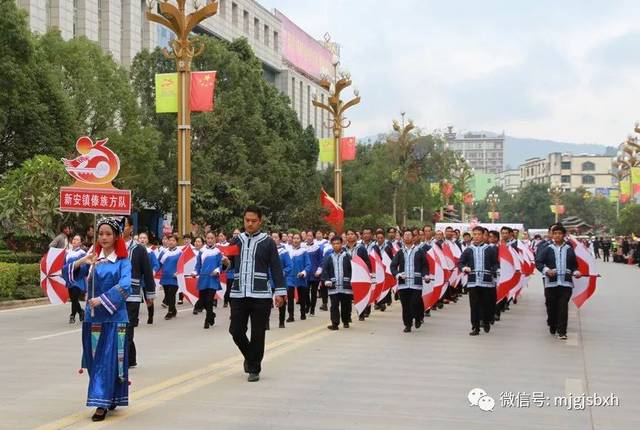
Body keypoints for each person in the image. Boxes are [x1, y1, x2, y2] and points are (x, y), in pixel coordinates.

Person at [66, 218, 131, 421]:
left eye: (108, 234)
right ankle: (109, 396)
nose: (103, 237)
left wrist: (101, 300)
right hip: (92, 320)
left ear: (116, 237)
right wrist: (81, 262)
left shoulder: (122, 262)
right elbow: (68, 273)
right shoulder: (92, 259)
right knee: (94, 361)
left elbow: (126, 286)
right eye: (100, 233)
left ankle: (100, 404)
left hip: (114, 318)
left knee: (108, 361)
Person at [224, 207, 286, 382]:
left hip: (261, 294)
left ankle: (254, 368)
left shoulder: (268, 242)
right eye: (246, 220)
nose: (249, 224)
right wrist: (226, 263)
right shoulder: (235, 241)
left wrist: (280, 292)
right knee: (236, 331)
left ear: (260, 221)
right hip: (238, 293)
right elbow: (230, 265)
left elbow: (276, 268)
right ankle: (251, 357)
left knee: (258, 333)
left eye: (253, 221)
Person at [535, 224, 580, 340]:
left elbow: (574, 264)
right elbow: (539, 262)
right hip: (551, 283)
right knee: (551, 306)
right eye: (555, 233)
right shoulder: (547, 248)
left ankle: (562, 331)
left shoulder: (569, 249)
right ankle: (552, 323)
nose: (557, 235)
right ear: (552, 235)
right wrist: (546, 270)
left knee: (563, 307)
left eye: (560, 233)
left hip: (566, 283)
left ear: (564, 235)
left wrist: (575, 271)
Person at [122, 217, 155, 368]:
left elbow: (147, 272)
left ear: (131, 228)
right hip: (114, 296)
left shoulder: (139, 249)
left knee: (128, 328)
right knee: (118, 328)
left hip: (133, 295)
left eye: (124, 225)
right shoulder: (110, 247)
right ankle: (128, 357)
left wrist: (149, 294)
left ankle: (127, 360)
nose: (121, 228)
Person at [459, 226, 499, 336]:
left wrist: (496, 269)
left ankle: (486, 321)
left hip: (487, 281)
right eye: (475, 234)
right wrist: (464, 268)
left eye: (479, 234)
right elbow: (460, 263)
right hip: (473, 281)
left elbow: (495, 263)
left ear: (483, 235)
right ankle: (475, 327)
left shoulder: (490, 249)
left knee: (487, 304)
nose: (476, 236)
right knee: (474, 305)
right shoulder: (468, 250)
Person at [390, 229, 429, 333]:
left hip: (416, 283)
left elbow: (425, 265)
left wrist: (425, 275)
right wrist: (397, 274)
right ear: (403, 238)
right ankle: (407, 324)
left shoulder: (419, 251)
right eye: (405, 235)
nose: (407, 237)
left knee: (415, 303)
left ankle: (417, 317)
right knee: (405, 305)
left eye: (409, 235)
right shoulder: (400, 252)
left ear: (413, 238)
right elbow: (393, 266)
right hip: (403, 284)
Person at [321, 236, 353, 330]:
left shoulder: (347, 256)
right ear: (331, 245)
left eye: (338, 243)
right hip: (333, 285)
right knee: (334, 306)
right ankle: (335, 323)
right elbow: (325, 270)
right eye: (334, 244)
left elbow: (352, 269)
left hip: (346, 285)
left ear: (341, 244)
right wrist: (326, 279)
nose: (336, 245)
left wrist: (351, 280)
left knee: (346, 305)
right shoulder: (329, 257)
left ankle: (346, 321)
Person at [193, 231, 223, 329]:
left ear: (215, 239)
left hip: (213, 278)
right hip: (203, 278)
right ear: (206, 239)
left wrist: (217, 270)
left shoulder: (218, 252)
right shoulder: (201, 251)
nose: (210, 240)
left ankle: (207, 320)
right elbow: (198, 266)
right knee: (204, 300)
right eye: (208, 238)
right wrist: (195, 272)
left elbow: (221, 265)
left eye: (212, 238)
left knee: (209, 300)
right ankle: (211, 315)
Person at [345, 229, 373, 321]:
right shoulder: (343, 249)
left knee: (359, 294)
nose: (350, 236)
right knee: (348, 296)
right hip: (347, 274)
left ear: (356, 236)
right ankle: (347, 316)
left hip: (359, 275)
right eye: (348, 234)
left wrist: (369, 273)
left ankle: (361, 312)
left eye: (352, 234)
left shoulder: (361, 248)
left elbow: (367, 262)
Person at [286, 233, 312, 322]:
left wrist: (303, 272)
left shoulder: (304, 252)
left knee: (302, 297)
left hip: (300, 277)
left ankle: (303, 313)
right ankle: (291, 315)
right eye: (294, 238)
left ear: (300, 240)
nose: (296, 240)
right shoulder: (287, 251)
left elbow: (308, 265)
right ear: (292, 240)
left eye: (298, 238)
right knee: (290, 297)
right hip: (290, 277)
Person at [270, 232, 293, 329]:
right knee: (266, 302)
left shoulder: (284, 252)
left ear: (279, 239)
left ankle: (281, 322)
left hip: (280, 280)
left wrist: (284, 272)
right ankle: (266, 323)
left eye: (276, 237)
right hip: (269, 280)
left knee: (282, 302)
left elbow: (290, 266)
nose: (274, 239)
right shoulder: (267, 251)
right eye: (272, 237)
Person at [158, 234, 182, 320]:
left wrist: (178, 273)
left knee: (171, 295)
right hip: (165, 277)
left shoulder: (180, 252)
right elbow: (158, 264)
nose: (171, 242)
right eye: (169, 240)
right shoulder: (163, 252)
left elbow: (182, 265)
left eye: (173, 240)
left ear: (176, 242)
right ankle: (174, 309)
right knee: (167, 295)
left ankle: (170, 312)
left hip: (174, 277)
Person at [64, 234, 87, 324]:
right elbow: (64, 265)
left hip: (78, 278)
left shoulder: (82, 253)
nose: (74, 241)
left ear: (80, 242)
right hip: (70, 278)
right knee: (73, 298)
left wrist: (78, 270)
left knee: (74, 295)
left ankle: (72, 315)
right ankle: (81, 312)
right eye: (74, 239)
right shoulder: (67, 252)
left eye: (77, 240)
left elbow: (84, 266)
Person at [138, 232, 159, 324]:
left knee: (149, 300)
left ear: (147, 240)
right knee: (135, 300)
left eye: (144, 238)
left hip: (147, 279)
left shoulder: (150, 252)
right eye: (141, 238)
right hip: (137, 279)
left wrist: (153, 272)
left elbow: (156, 265)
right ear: (138, 240)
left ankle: (150, 317)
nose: (142, 239)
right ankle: (135, 319)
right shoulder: (134, 251)